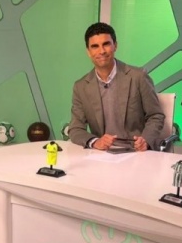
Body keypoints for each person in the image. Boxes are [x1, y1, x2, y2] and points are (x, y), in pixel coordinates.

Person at [68, 22, 164, 151]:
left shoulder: (138, 77)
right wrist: (95, 142)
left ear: (115, 46)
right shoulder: (81, 87)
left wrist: (145, 140)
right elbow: (75, 128)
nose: (102, 51)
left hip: (136, 152)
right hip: (101, 154)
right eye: (95, 46)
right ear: (88, 52)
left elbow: (156, 115)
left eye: (106, 44)